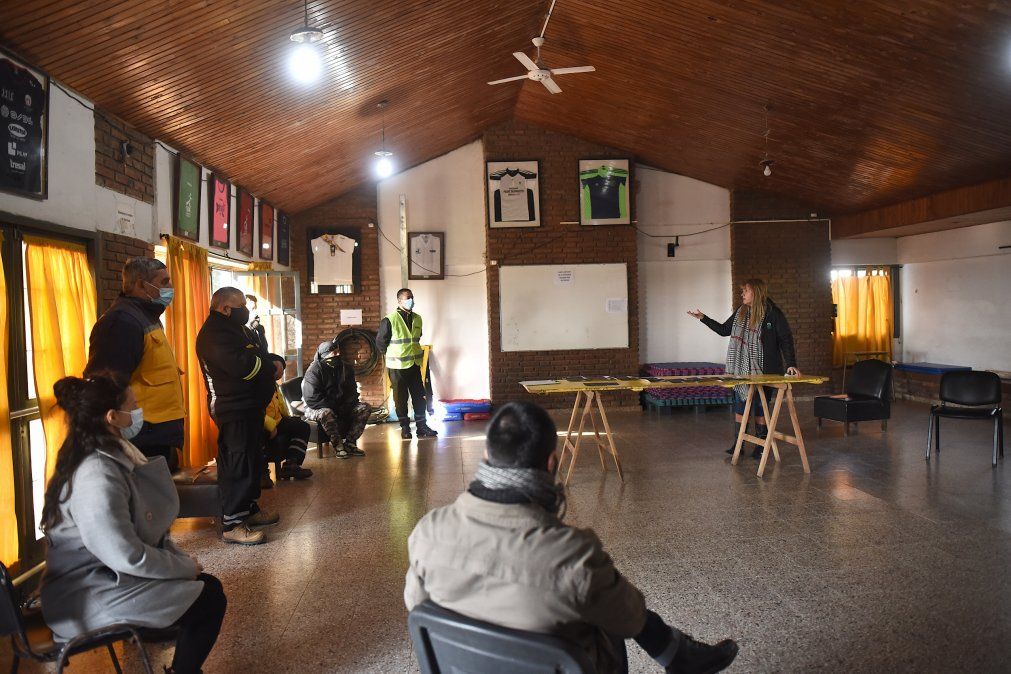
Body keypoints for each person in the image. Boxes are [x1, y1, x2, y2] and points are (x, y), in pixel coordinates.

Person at [405, 402, 739, 674]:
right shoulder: (570, 553)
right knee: (607, 613)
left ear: (485, 458)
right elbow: (630, 618)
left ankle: (677, 655)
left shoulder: (427, 532)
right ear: (552, 463)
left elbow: (418, 607)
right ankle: (676, 655)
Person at [40, 375, 226, 674]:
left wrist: (180, 563)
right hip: (88, 597)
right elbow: (125, 554)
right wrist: (184, 567)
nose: (139, 412)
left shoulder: (105, 453)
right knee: (208, 598)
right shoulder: (95, 474)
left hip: (107, 579)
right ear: (112, 417)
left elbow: (138, 537)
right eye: (134, 406)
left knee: (207, 589)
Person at [196, 286, 281, 545]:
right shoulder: (214, 334)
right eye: (241, 305)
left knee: (253, 460)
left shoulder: (237, 328)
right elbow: (245, 366)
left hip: (250, 406)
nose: (246, 310)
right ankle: (232, 523)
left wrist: (275, 361)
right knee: (237, 462)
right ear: (225, 308)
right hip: (232, 408)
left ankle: (248, 510)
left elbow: (259, 352)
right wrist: (270, 367)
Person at [84, 257, 184, 471]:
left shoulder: (146, 316)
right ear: (141, 285)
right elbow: (105, 384)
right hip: (140, 435)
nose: (170, 288)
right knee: (145, 500)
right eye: (164, 281)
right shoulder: (122, 321)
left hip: (157, 432)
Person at [688, 278, 800, 458]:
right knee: (740, 403)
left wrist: (791, 364)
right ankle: (738, 443)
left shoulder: (773, 314)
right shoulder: (741, 312)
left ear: (755, 292)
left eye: (745, 291)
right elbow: (725, 330)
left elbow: (785, 339)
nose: (742, 294)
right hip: (742, 369)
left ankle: (761, 444)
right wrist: (703, 319)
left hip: (766, 370)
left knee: (759, 406)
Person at [375, 288, 437, 440]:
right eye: (408, 298)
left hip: (414, 365)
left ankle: (422, 427)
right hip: (397, 368)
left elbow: (417, 337)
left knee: (419, 396)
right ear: (399, 301)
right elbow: (380, 343)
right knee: (401, 399)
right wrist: (393, 355)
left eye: (412, 297)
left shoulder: (417, 318)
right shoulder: (389, 320)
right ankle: (405, 428)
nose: (411, 301)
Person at [302, 338, 370, 459]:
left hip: (341, 406)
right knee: (327, 413)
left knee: (364, 408)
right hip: (316, 406)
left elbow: (352, 392)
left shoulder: (346, 368)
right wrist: (335, 407)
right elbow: (312, 398)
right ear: (324, 356)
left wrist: (346, 406)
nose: (338, 355)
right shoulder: (314, 371)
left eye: (338, 352)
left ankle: (350, 443)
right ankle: (338, 446)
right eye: (334, 353)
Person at [264, 363, 313, 481]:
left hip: (277, 421)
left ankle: (291, 464)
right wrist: (270, 426)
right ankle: (263, 473)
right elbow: (256, 411)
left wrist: (289, 418)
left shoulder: (274, 384)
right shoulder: (259, 386)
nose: (281, 375)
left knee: (302, 426)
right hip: (265, 424)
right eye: (280, 371)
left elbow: (280, 405)